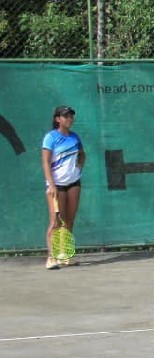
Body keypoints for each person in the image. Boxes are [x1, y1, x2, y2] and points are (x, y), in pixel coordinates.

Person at [41, 105, 85, 269]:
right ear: (57, 119)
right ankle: (51, 257)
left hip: (74, 183)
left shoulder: (75, 137)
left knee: (69, 222)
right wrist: (51, 184)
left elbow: (82, 154)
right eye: (66, 116)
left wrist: (78, 168)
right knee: (55, 222)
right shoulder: (51, 137)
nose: (69, 119)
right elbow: (45, 162)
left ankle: (65, 256)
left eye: (71, 116)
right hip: (56, 186)